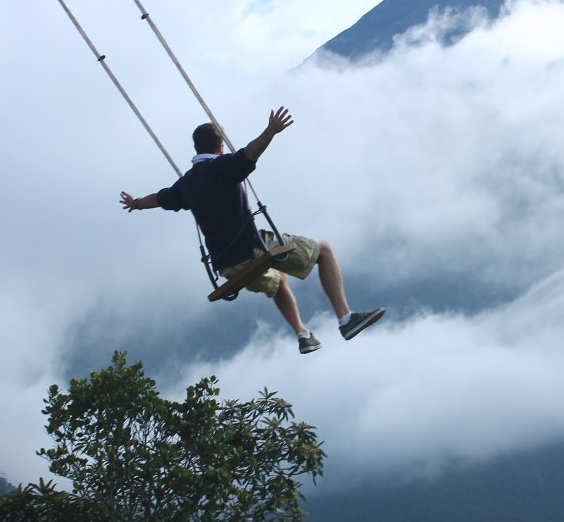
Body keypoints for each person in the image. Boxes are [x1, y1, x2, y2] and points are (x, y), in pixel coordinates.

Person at [119, 107, 384, 354]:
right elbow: (250, 153)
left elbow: (159, 198)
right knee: (325, 250)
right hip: (251, 248)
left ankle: (303, 335)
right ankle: (346, 319)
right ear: (220, 146)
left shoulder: (185, 185)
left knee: (278, 279)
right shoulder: (222, 167)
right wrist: (270, 131)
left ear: (197, 147)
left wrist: (136, 204)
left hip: (226, 265)